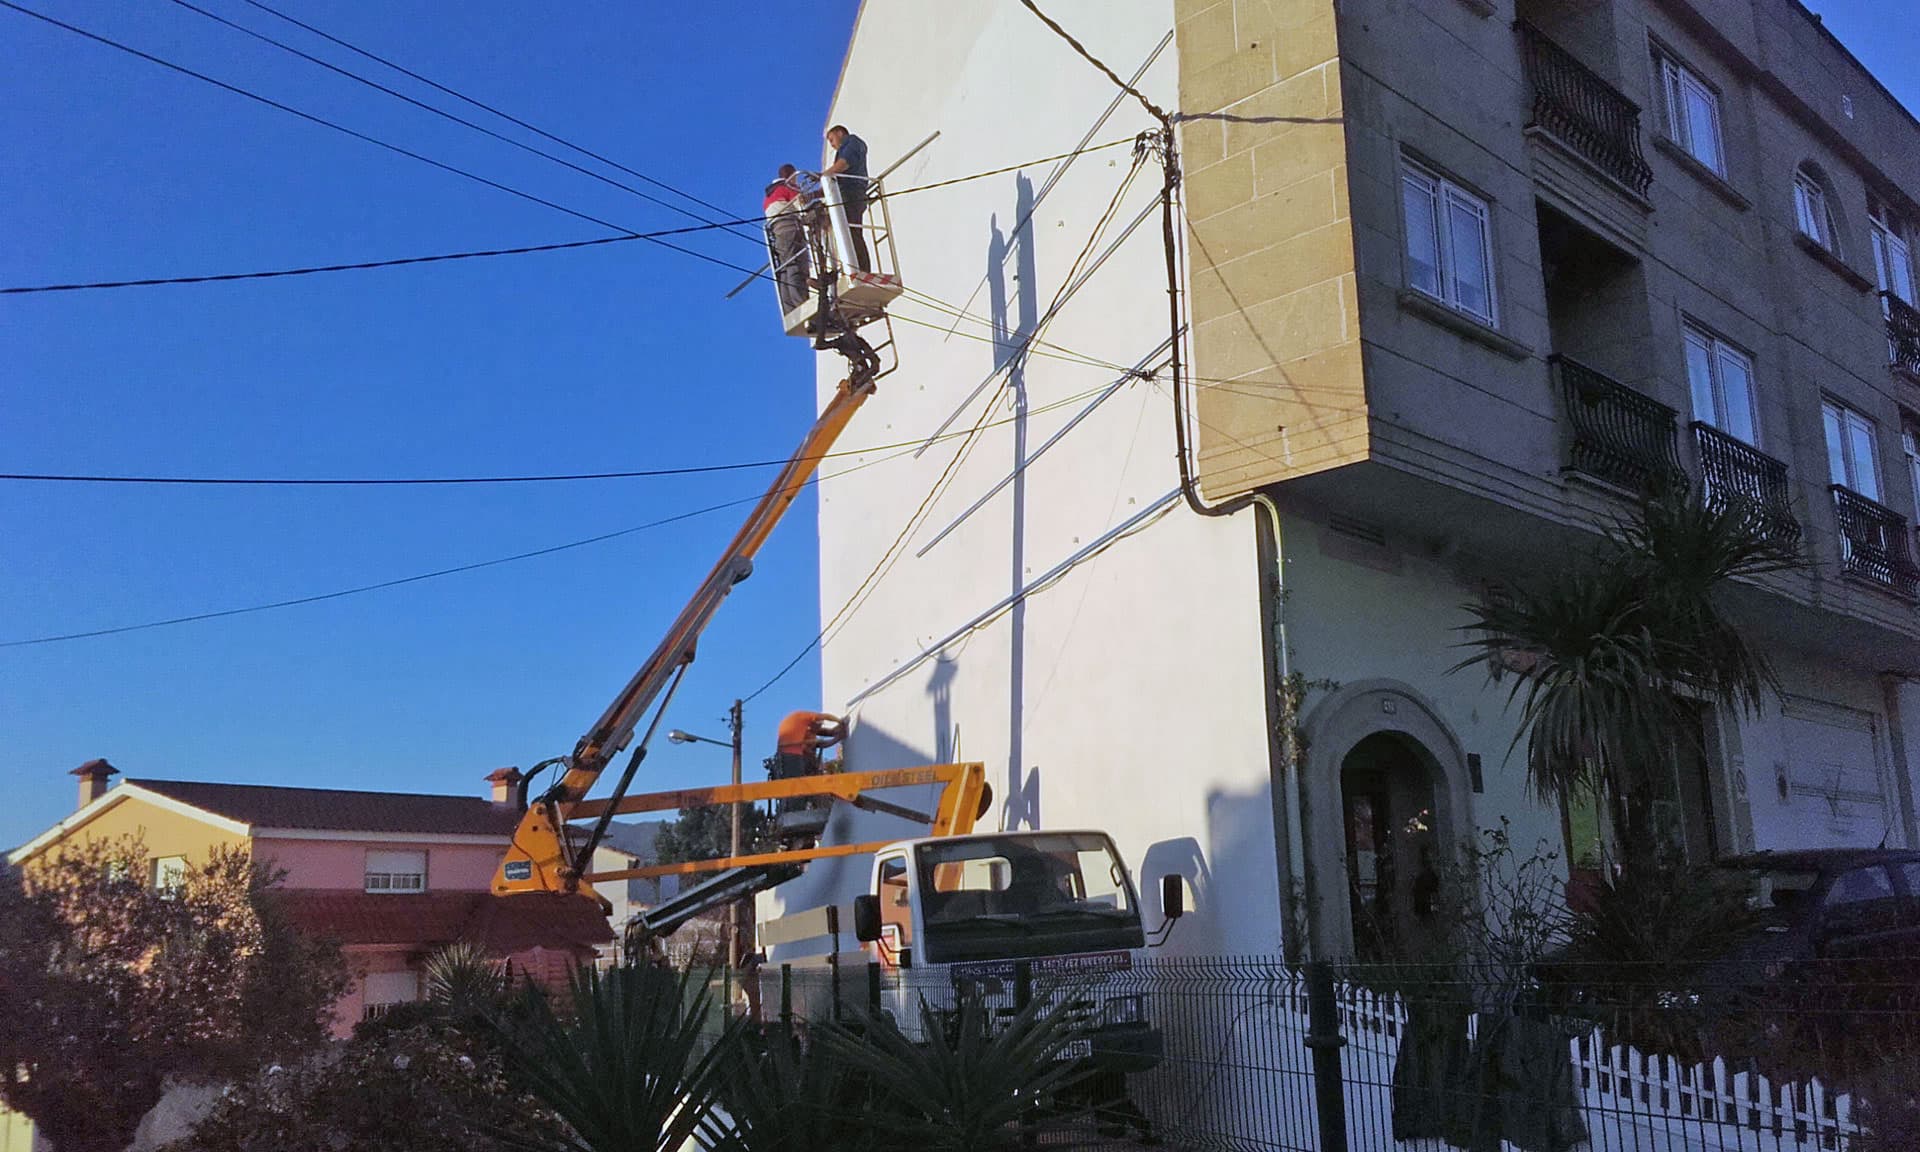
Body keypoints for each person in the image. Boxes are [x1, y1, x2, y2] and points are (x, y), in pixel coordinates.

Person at [762, 164, 811, 314]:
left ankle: (790, 307)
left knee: (784, 268)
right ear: (793, 175)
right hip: (790, 227)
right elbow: (801, 208)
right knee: (795, 265)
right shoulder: (788, 186)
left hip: (776, 233)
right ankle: (802, 303)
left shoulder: (769, 195)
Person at [822, 125, 871, 271]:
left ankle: (862, 270)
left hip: (852, 193)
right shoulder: (842, 151)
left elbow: (843, 166)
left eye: (831, 139)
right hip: (845, 194)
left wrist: (823, 175)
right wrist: (813, 194)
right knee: (839, 232)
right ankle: (836, 271)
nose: (831, 144)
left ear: (840, 132)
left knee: (852, 233)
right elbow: (834, 180)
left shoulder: (852, 142)